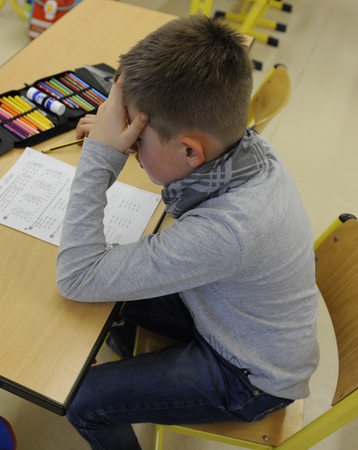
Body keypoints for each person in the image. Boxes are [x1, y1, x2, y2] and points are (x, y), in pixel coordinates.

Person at [55, 14, 319, 450]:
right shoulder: (245, 149)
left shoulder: (229, 230)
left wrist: (100, 158)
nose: (129, 146)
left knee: (83, 399)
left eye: (138, 139)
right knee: (112, 290)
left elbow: (76, 277)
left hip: (249, 376)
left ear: (190, 150)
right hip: (228, 313)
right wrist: (118, 132)